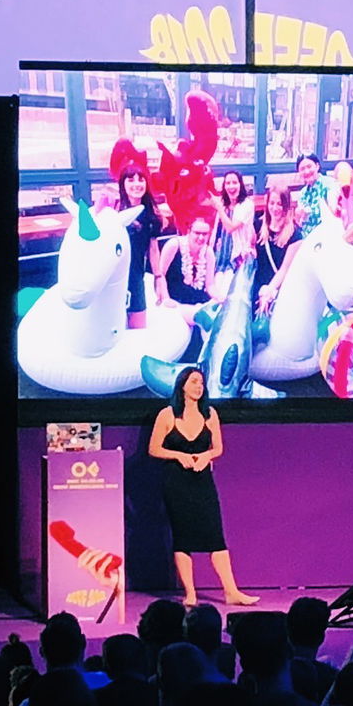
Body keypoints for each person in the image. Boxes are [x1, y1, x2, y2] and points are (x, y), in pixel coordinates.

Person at [148, 367, 259, 607]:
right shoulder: (167, 415)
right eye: (194, 382)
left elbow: (218, 448)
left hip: (202, 481)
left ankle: (231, 591)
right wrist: (179, 456)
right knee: (183, 537)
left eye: (201, 383)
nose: (199, 386)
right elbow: (154, 449)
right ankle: (190, 593)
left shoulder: (210, 414)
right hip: (176, 483)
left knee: (215, 536)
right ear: (182, 385)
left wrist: (207, 456)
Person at [117, 163, 164, 329]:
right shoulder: (114, 211)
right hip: (113, 278)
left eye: (141, 180)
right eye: (131, 180)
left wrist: (159, 279)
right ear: (123, 184)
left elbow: (153, 249)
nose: (137, 184)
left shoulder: (151, 216)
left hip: (135, 277)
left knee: (138, 327)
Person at [155, 217, 219, 326]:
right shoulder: (174, 245)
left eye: (205, 234)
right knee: (198, 315)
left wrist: (219, 297)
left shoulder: (208, 252)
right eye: (197, 233)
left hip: (197, 301)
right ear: (189, 232)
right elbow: (160, 275)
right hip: (174, 301)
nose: (201, 237)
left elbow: (210, 285)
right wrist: (165, 298)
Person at [253, 187, 302, 315]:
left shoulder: (295, 235)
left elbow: (284, 269)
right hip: (258, 286)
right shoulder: (258, 226)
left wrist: (269, 290)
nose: (275, 208)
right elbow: (251, 249)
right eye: (272, 203)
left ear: (286, 206)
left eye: (279, 204)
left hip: (280, 290)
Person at [210, 170, 256, 278]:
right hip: (220, 255)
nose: (231, 186)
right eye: (228, 183)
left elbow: (231, 227)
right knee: (215, 283)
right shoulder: (223, 203)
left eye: (234, 182)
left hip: (237, 257)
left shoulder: (247, 205)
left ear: (240, 185)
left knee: (227, 284)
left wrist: (219, 208)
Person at [294, 153, 339, 238]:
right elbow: (300, 222)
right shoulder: (302, 193)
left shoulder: (330, 184)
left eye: (309, 166)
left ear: (317, 166)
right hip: (306, 239)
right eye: (302, 169)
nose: (306, 171)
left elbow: (333, 212)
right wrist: (299, 216)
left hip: (327, 237)